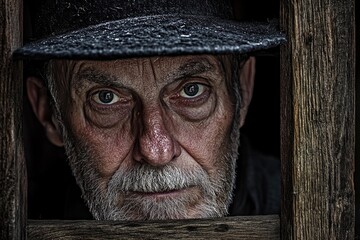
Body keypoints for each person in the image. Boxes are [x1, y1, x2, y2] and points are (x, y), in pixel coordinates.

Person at [15, 0, 285, 220]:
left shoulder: (304, 210)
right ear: (49, 112)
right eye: (105, 98)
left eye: (192, 90)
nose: (156, 152)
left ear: (243, 92)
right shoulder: (20, 220)